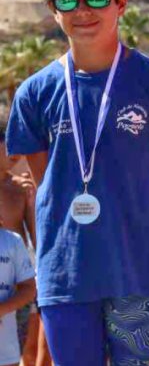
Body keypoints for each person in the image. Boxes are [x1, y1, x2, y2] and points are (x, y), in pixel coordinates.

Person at [6, 0, 149, 366]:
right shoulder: (34, 93)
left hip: (138, 271)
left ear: (120, 2)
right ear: (55, 11)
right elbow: (48, 179)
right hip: (66, 273)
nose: (82, 10)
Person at [0, 126, 38, 366]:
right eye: (7, 144)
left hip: (18, 290)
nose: (15, 152)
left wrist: (34, 200)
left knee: (24, 355)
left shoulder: (20, 189)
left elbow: (36, 239)